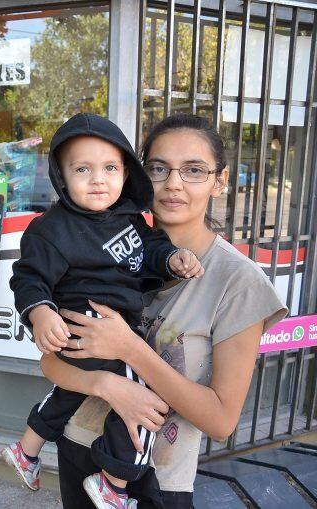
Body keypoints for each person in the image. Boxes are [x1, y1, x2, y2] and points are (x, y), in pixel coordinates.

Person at [39, 113, 287, 508]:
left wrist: (131, 350)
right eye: (158, 168)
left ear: (219, 181)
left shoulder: (238, 281)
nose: (173, 183)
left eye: (194, 170)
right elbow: (51, 364)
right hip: (79, 451)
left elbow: (221, 421)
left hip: (159, 478)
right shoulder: (101, 252)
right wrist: (107, 385)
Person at [1, 113, 203, 508]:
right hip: (84, 325)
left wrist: (174, 258)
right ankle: (114, 481)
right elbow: (28, 278)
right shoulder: (50, 229)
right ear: (60, 175)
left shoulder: (129, 218)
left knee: (68, 391)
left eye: (110, 168)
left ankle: (26, 451)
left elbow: (152, 250)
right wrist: (40, 311)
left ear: (125, 172)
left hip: (108, 332)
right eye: (82, 169)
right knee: (146, 401)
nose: (98, 179)